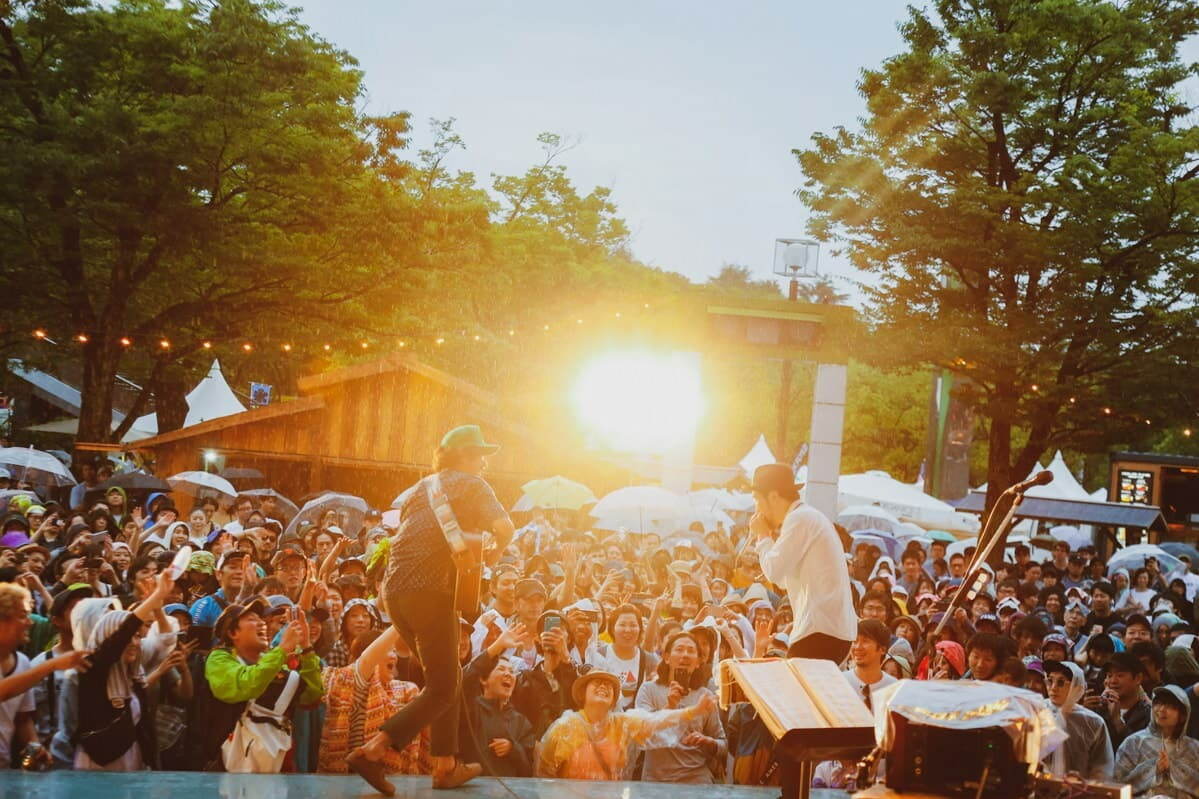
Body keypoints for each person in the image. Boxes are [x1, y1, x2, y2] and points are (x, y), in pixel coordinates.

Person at [349, 425, 515, 794]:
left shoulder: (420, 488)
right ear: (463, 457)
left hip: (394, 592)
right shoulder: (474, 485)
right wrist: (494, 555)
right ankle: (374, 751)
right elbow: (506, 528)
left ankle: (445, 767)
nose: (484, 462)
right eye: (479, 454)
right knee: (443, 687)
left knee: (448, 678)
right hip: (430, 593)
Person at [199, 598, 323, 771]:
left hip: (276, 768)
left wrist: (306, 646)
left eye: (261, 620)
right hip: (228, 772)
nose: (262, 624)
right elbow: (246, 685)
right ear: (233, 633)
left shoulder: (274, 661)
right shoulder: (219, 659)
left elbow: (311, 697)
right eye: (251, 619)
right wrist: (283, 648)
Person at [751, 464, 855, 662]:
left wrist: (762, 535)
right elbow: (781, 580)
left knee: (796, 692)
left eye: (757, 499)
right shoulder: (806, 517)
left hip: (820, 631)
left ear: (773, 496)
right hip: (828, 631)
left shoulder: (799, 518)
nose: (756, 507)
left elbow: (773, 571)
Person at [74, 571, 176, 770]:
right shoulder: (91, 668)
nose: (134, 642)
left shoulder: (133, 675)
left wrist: (158, 608)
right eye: (130, 636)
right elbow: (120, 638)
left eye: (138, 636)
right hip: (99, 766)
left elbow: (165, 640)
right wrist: (155, 596)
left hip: (132, 760)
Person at [536, 669, 717, 780]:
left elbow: (654, 721)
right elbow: (544, 771)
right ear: (583, 694)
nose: (603, 687)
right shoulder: (565, 726)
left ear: (614, 699)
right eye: (597, 683)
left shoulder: (622, 724)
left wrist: (693, 711)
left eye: (609, 686)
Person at [319, 626, 428, 775]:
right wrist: (401, 620)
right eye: (388, 650)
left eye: (394, 651)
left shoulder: (407, 690)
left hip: (400, 784)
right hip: (351, 784)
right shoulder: (351, 686)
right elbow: (366, 661)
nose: (394, 656)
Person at [634, 630, 726, 783]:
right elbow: (641, 734)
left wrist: (707, 741)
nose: (685, 655)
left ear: (698, 662)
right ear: (667, 657)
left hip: (697, 782)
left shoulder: (705, 695)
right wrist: (669, 707)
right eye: (679, 649)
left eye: (691, 651)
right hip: (657, 782)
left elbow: (723, 746)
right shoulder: (648, 690)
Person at [1113, 685, 1199, 798]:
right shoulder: (1133, 743)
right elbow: (1118, 786)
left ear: (1183, 715)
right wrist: (1153, 768)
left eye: (1170, 706)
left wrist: (1173, 768)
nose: (1162, 709)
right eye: (1158, 703)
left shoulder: (1194, 748)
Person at [1042, 660, 1114, 780]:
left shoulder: (1092, 721)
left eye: (1061, 682)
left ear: (1076, 687)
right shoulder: (1037, 711)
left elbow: (1101, 768)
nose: (1053, 688)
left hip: (1079, 791)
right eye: (1050, 680)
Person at [1088, 652, 1151, 751]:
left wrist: (1117, 722)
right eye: (1109, 675)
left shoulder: (1149, 714)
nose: (1113, 681)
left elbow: (1141, 752)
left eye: (1120, 675)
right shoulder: (1099, 709)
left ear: (1138, 678)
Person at [842, 620, 896, 708]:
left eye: (865, 641)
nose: (858, 647)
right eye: (855, 641)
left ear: (882, 649)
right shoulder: (841, 682)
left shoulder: (893, 688)